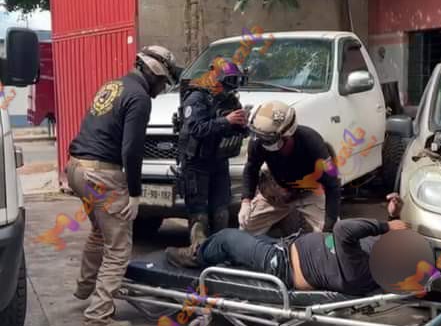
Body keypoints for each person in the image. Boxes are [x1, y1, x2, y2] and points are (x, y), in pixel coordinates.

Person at [67, 45, 181, 326]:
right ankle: (98, 318)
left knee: (99, 231)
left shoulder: (113, 85)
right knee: (118, 249)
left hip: (77, 169)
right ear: (154, 73)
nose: (162, 89)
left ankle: (85, 286)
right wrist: (134, 193)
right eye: (163, 81)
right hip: (102, 176)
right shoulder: (139, 97)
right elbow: (131, 150)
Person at [166, 194, 407, 295]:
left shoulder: (361, 272)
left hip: (281, 265)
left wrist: (385, 226)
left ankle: (195, 254)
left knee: (228, 238)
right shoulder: (375, 262)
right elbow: (380, 239)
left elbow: (343, 229)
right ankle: (206, 247)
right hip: (285, 247)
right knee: (236, 242)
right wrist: (393, 215)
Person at [239, 100, 340, 236]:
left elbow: (333, 184)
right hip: (276, 192)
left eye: (267, 138)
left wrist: (329, 225)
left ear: (286, 134)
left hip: (309, 192)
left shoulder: (312, 141)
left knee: (334, 235)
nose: (262, 141)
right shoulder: (258, 142)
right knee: (245, 228)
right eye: (259, 136)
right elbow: (251, 169)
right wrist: (246, 200)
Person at [176, 57, 248, 245]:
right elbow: (196, 129)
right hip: (196, 163)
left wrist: (241, 125)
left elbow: (236, 129)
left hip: (219, 160)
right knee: (199, 215)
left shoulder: (229, 99)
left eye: (236, 81)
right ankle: (198, 252)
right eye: (229, 81)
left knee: (221, 212)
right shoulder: (197, 97)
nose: (232, 87)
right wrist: (226, 121)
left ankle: (219, 251)